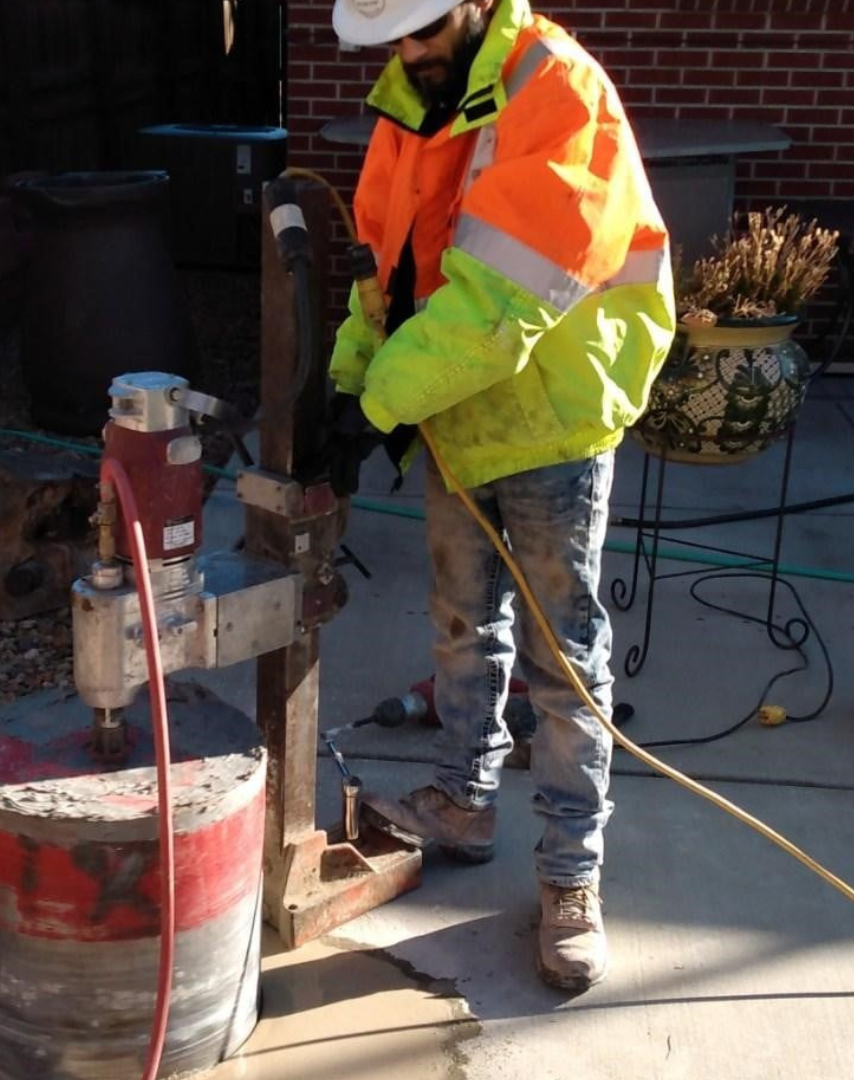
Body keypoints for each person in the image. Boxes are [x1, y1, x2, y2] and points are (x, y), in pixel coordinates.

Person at [326, 0, 676, 991]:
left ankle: (570, 876)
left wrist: (380, 403)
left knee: (564, 662)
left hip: (551, 420)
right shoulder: (414, 101)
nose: (407, 52)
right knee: (462, 626)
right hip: (456, 410)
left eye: (422, 29)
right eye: (391, 37)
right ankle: (462, 801)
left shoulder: (559, 92)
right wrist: (345, 382)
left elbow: (500, 305)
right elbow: (383, 271)